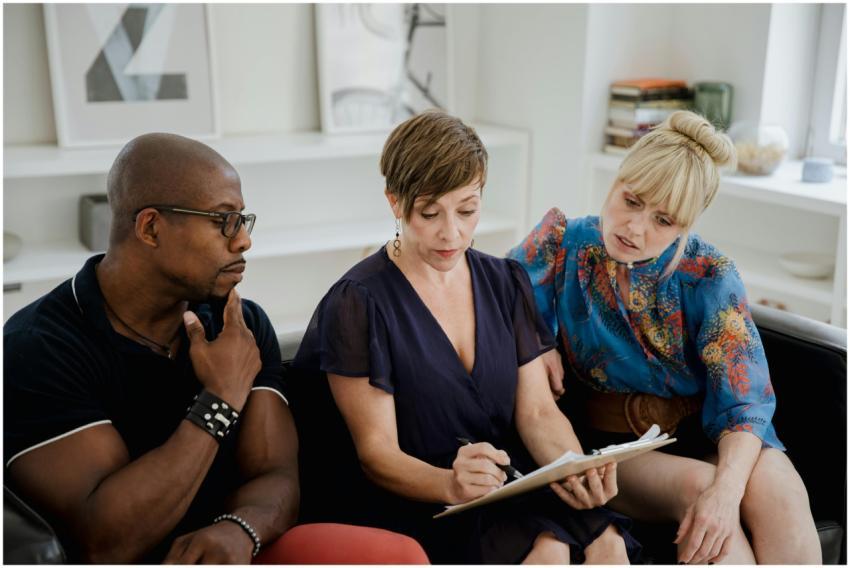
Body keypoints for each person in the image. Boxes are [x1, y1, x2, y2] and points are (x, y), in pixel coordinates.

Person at [4, 133, 428, 564]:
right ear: (151, 227)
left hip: (243, 547)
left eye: (244, 219)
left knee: (399, 556)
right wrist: (220, 398)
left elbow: (275, 473)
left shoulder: (239, 325)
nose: (243, 240)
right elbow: (107, 541)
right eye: (223, 220)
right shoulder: (38, 349)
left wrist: (240, 530)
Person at [294, 110, 641, 564]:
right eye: (429, 212)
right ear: (395, 203)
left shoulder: (504, 281)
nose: (451, 233)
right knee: (549, 548)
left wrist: (577, 469)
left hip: (508, 481)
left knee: (608, 541)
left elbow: (537, 411)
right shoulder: (359, 303)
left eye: (467, 210)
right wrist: (450, 484)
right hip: (423, 499)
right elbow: (377, 454)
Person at [508, 110, 821, 564]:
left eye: (663, 220)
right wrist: (538, 345)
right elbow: (491, 297)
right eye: (631, 201)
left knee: (780, 494)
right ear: (616, 180)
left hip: (709, 434)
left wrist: (728, 493)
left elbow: (746, 405)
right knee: (701, 493)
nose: (636, 228)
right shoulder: (562, 243)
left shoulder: (710, 275)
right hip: (617, 447)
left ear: (686, 225)